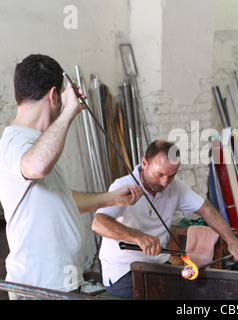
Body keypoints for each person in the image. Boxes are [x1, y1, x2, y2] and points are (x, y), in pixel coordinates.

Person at [0, 54, 143, 299]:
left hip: (57, 283)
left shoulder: (35, 143)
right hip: (40, 285)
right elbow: (36, 166)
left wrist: (111, 199)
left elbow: (61, 199)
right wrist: (69, 112)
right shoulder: (16, 141)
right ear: (54, 95)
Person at [92, 140, 238, 299]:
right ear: (144, 162)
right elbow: (98, 223)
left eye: (171, 175)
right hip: (123, 271)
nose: (165, 182)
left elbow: (207, 210)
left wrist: (231, 240)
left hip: (159, 265)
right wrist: (138, 237)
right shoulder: (123, 186)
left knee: (199, 291)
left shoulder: (175, 187)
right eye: (159, 175)